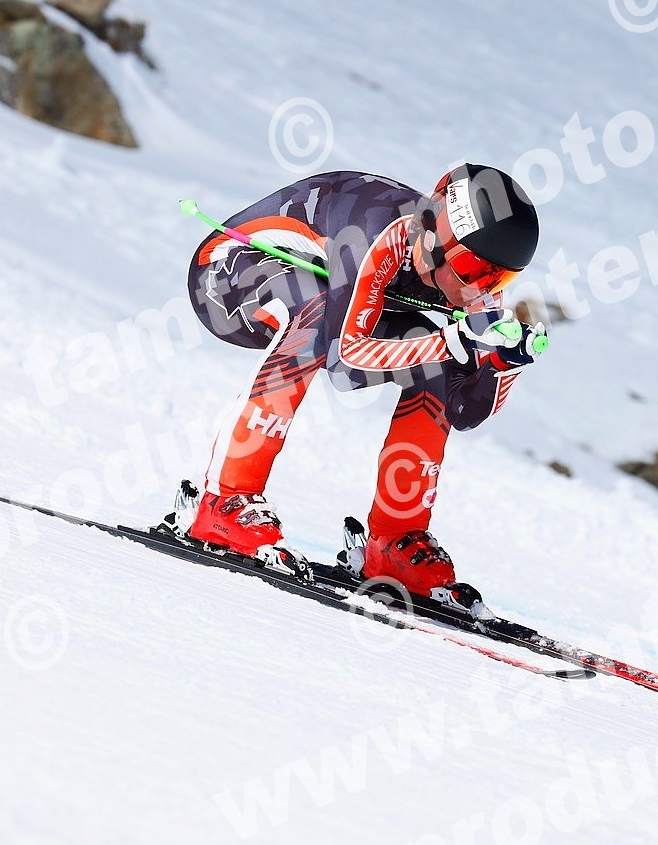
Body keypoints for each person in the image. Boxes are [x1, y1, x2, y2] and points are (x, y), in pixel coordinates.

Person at [173, 164, 544, 608]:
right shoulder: (377, 234)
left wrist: (504, 365)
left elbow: (465, 411)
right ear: (436, 237)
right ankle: (225, 500)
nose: (479, 290)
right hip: (227, 275)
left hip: (334, 298)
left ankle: (394, 538)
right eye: (472, 269)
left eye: (499, 278)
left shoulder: (473, 287)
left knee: (438, 365)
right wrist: (451, 340)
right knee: (316, 319)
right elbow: (344, 363)